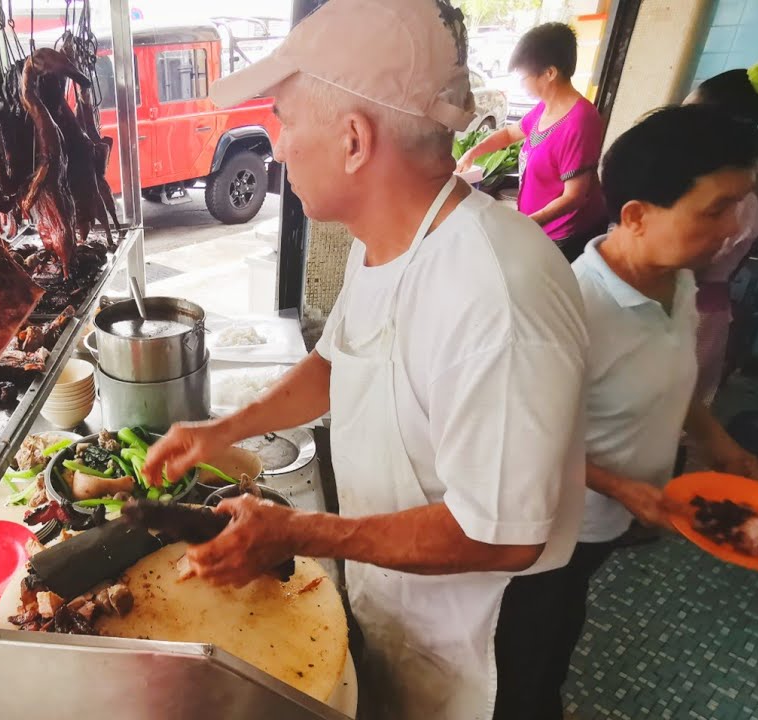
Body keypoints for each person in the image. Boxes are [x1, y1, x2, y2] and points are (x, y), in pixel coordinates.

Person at [141, 1, 589, 717]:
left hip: (485, 634)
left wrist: (298, 533)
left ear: (353, 139)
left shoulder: (498, 294)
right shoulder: (387, 241)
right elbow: (338, 362)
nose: (278, 149)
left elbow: (499, 535)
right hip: (405, 593)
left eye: (286, 121)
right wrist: (219, 432)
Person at [534, 105, 758, 718]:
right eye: (715, 208)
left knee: (568, 614)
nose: (732, 228)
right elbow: (529, 437)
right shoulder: (574, 310)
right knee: (538, 638)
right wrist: (621, 489)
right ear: (636, 216)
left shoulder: (678, 280)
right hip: (558, 526)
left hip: (614, 517)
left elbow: (673, 376)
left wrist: (715, 437)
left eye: (739, 205)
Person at [684, 57, 758, 403]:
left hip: (693, 317)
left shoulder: (730, 198)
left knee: (670, 413)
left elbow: (690, 266)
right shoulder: (730, 187)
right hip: (700, 310)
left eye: (687, 118)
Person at [458, 23, 608, 262]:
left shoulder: (580, 121)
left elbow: (574, 197)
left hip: (566, 235)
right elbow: (509, 134)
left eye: (524, 76)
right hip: (539, 225)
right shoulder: (545, 108)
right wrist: (472, 153)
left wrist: (526, 224)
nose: (521, 84)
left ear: (550, 73)